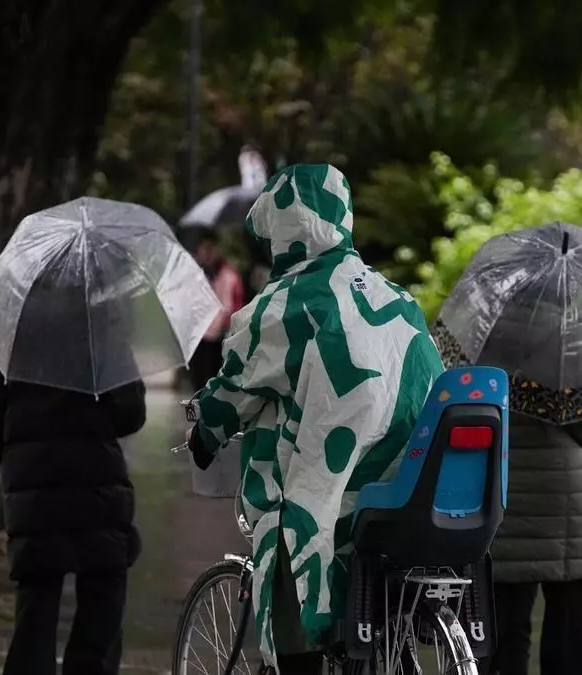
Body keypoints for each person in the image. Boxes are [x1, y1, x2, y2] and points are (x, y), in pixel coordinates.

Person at [185, 163, 443, 675]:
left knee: (290, 560)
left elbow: (235, 387)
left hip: (333, 499)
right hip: (405, 492)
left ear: (283, 231)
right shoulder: (397, 297)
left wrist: (203, 433)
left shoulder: (283, 304)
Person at [432, 325, 582, 675]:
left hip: (498, 483)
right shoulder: (575, 339)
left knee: (505, 621)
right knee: (568, 620)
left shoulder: (480, 336)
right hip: (564, 495)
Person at [0, 295, 147, 675]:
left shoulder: (11, 325)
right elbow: (130, 413)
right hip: (97, 487)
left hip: (34, 490)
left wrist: (21, 464)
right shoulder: (102, 323)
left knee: (34, 616)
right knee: (102, 605)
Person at [187, 228, 244, 390]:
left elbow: (237, 305)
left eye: (211, 248)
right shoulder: (193, 273)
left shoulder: (229, 275)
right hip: (198, 336)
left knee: (216, 381)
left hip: (221, 336)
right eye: (205, 248)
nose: (208, 253)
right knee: (199, 382)